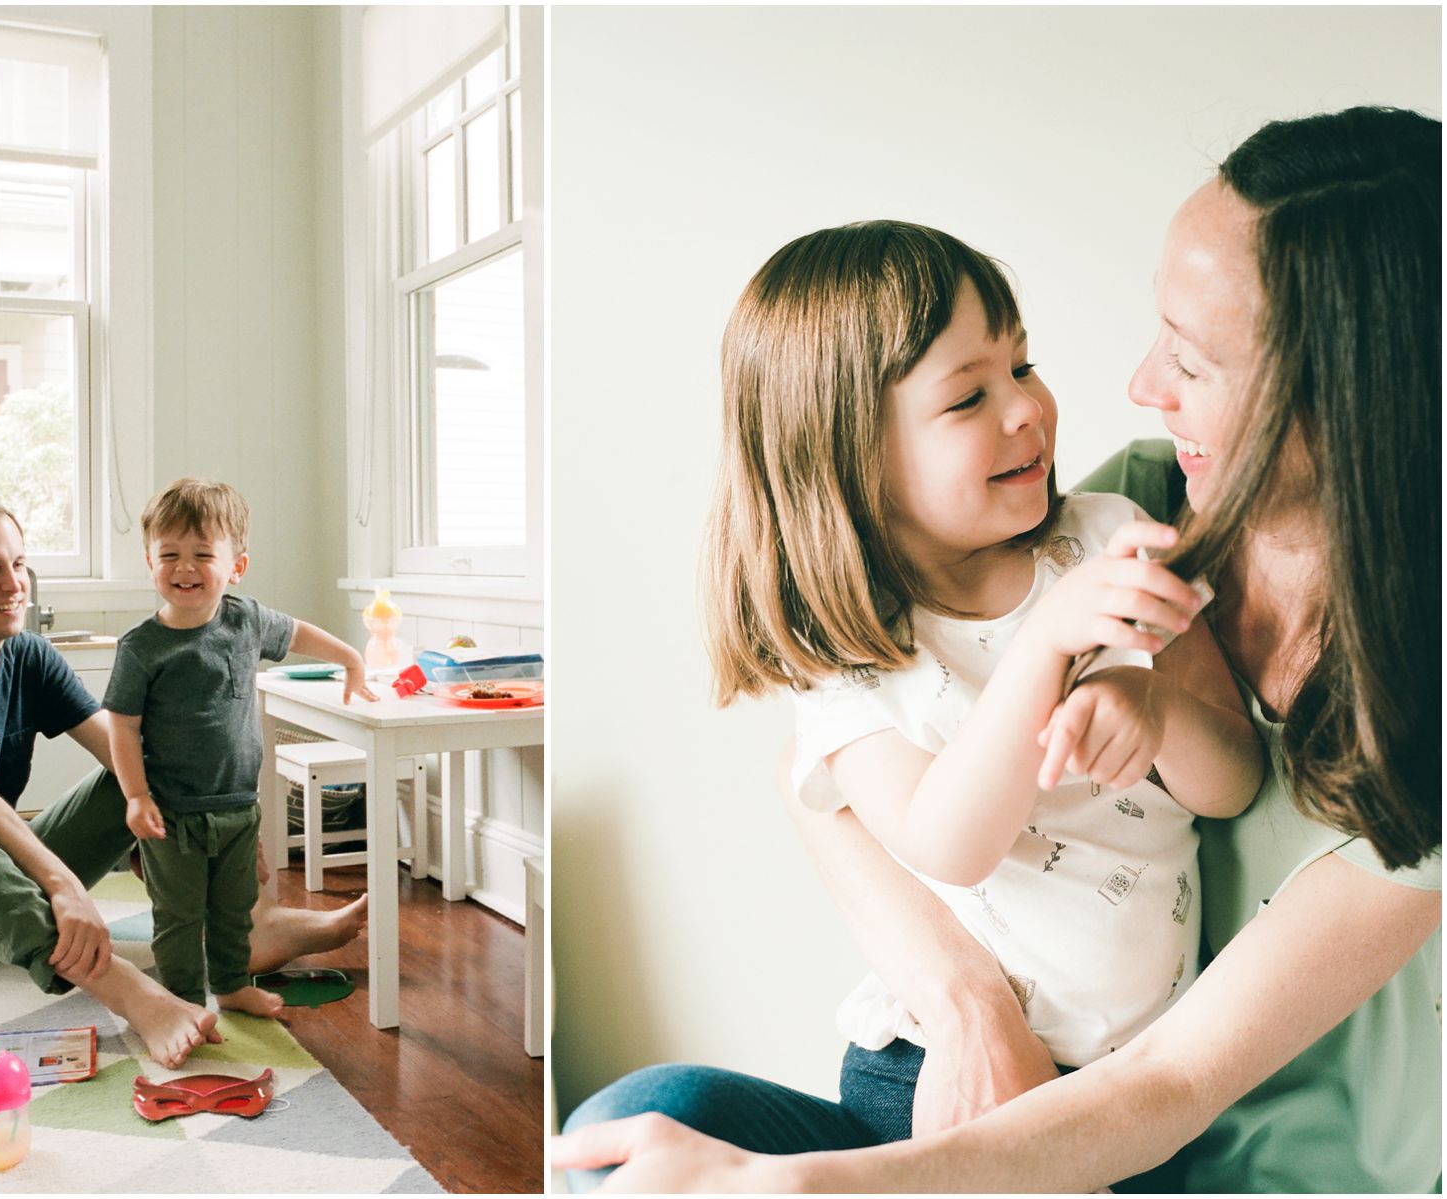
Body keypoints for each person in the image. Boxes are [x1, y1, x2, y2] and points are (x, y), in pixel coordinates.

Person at [554, 104, 1441, 1193]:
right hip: (994, 1074)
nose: (1141, 385)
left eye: (1192, 358)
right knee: (633, 1123)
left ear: (1348, 396)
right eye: (971, 393)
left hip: (1200, 1148)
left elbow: (1170, 1079)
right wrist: (967, 1001)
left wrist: (792, 1185)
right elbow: (822, 785)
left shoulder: (1414, 700)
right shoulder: (1135, 510)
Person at [0, 498, 369, 1069]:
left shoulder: (29, 657)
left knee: (133, 775)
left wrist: (226, 837)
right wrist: (62, 884)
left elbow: (128, 754)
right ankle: (132, 994)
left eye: (19, 564)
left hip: (5, 880)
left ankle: (246, 930)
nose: (13, 584)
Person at [104, 478, 376, 1020]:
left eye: (203, 555)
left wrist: (351, 658)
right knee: (178, 915)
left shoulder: (246, 619)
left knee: (234, 909)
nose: (184, 567)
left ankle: (230, 986)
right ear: (150, 561)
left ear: (236, 566)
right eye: (169, 555)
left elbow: (297, 633)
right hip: (173, 814)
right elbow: (122, 726)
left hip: (237, 807)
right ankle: (182, 1001)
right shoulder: (142, 648)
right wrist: (136, 795)